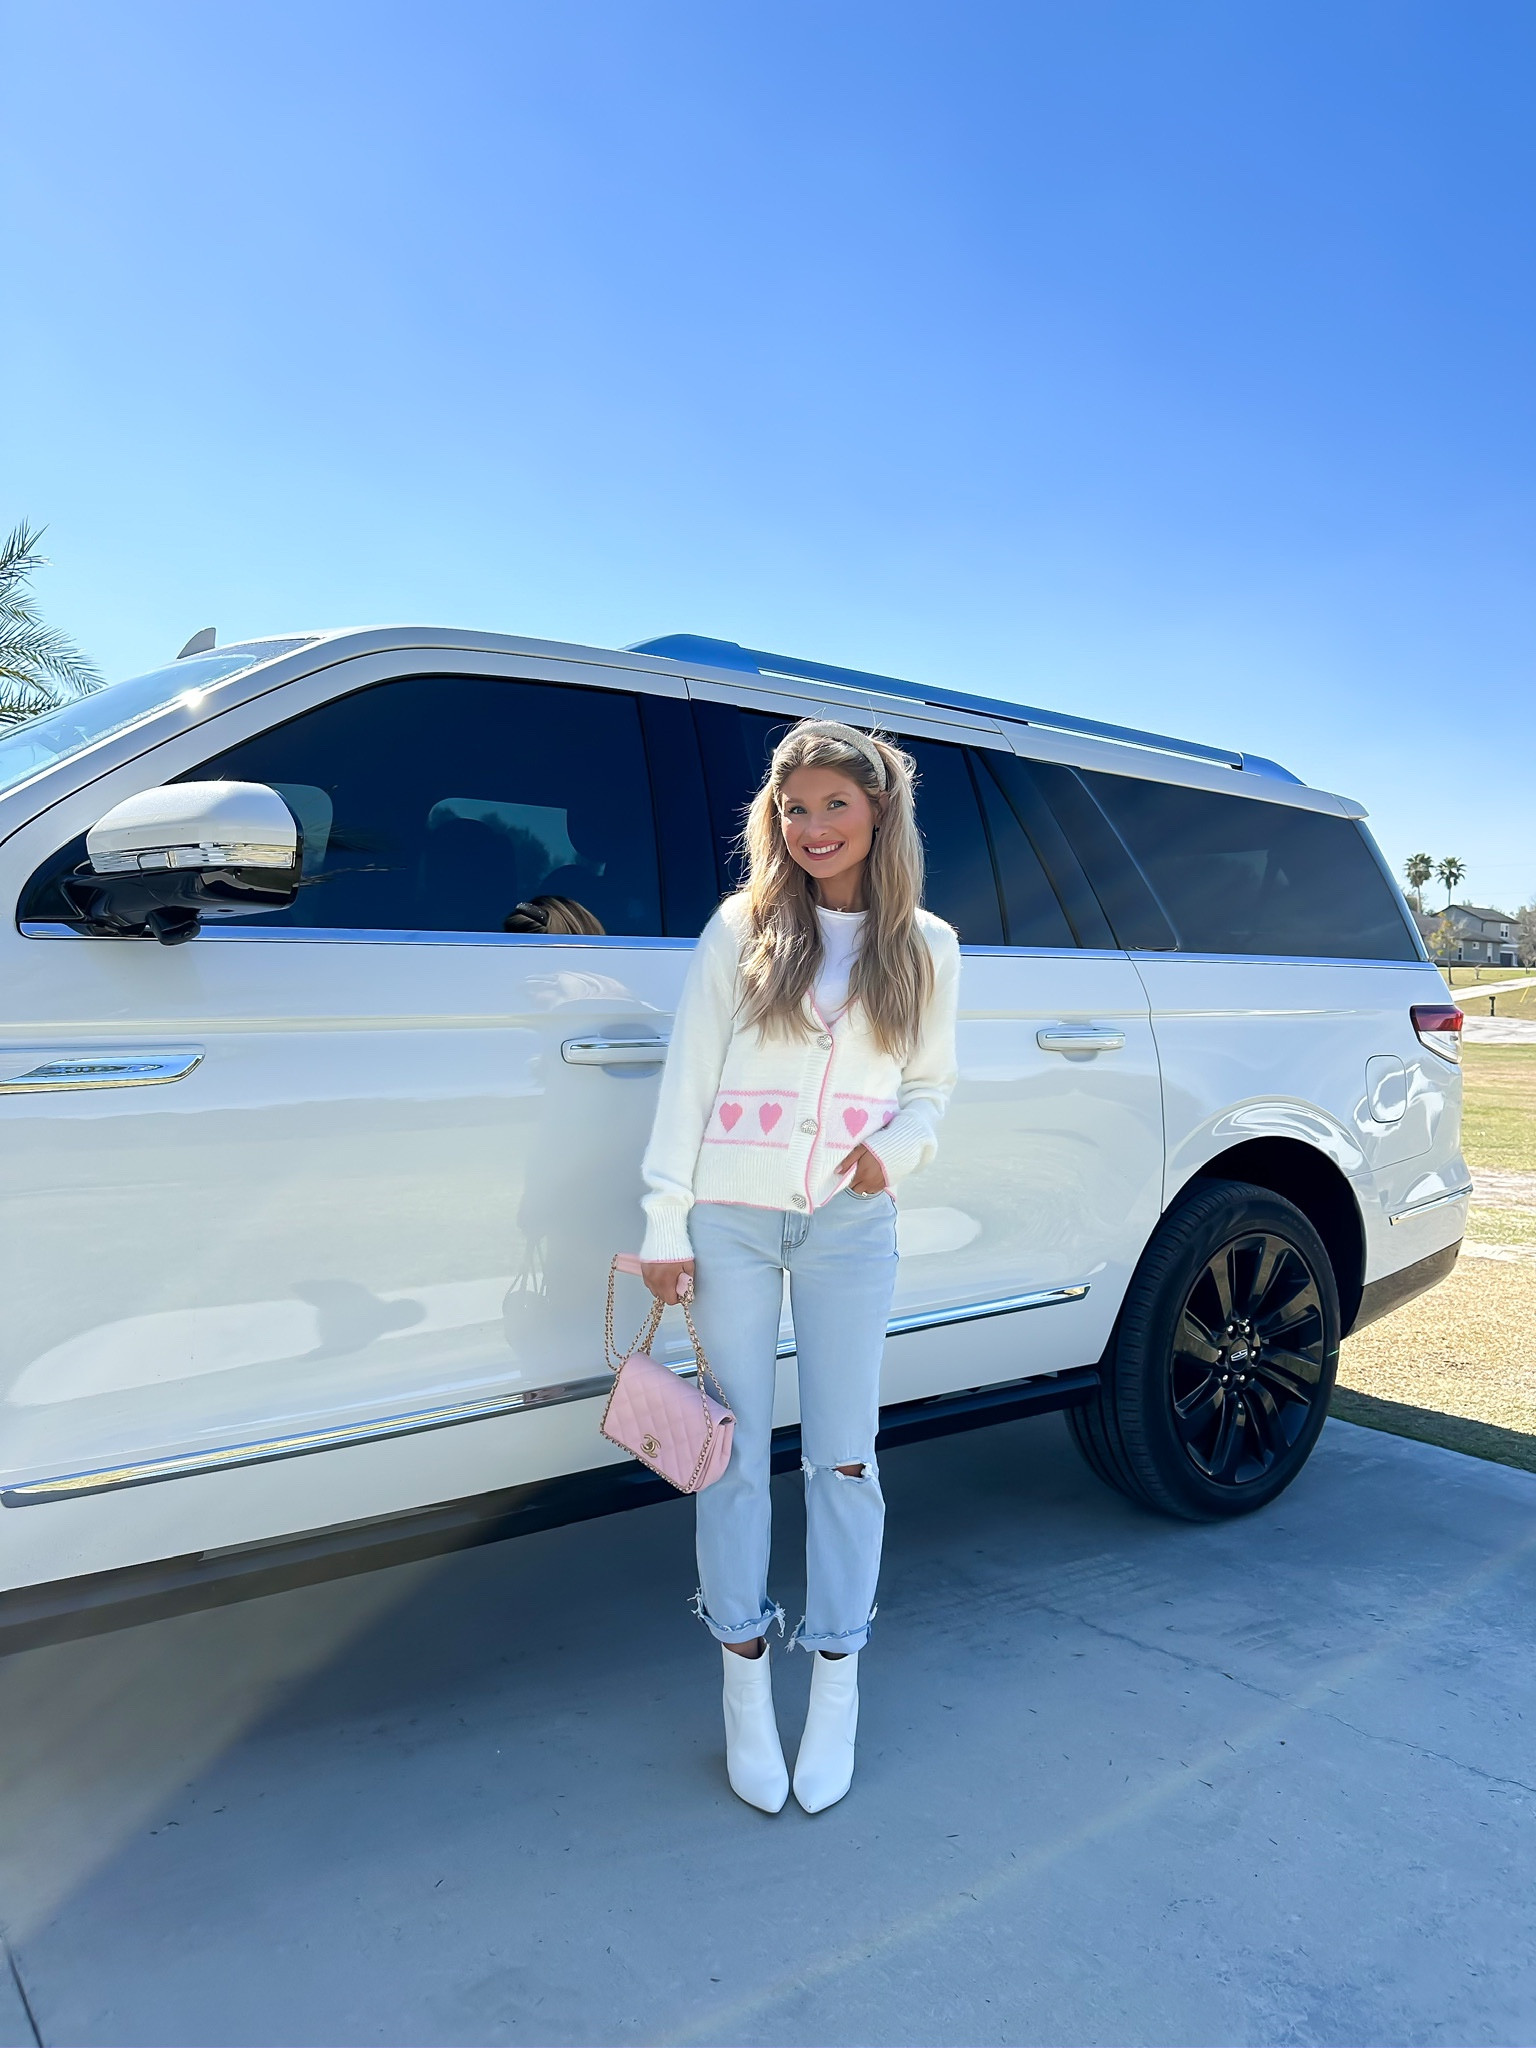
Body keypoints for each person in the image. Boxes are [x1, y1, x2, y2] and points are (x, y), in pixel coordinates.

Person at [639, 719, 960, 1814]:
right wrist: (662, 1223)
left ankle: (835, 1679)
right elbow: (685, 1085)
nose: (813, 826)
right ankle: (739, 1684)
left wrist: (895, 1151)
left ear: (878, 812)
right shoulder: (741, 930)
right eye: (793, 807)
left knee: (845, 1460)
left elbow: (932, 1089)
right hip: (726, 1218)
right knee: (728, 1455)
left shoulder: (925, 946)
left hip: (849, 1223)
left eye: (834, 803)